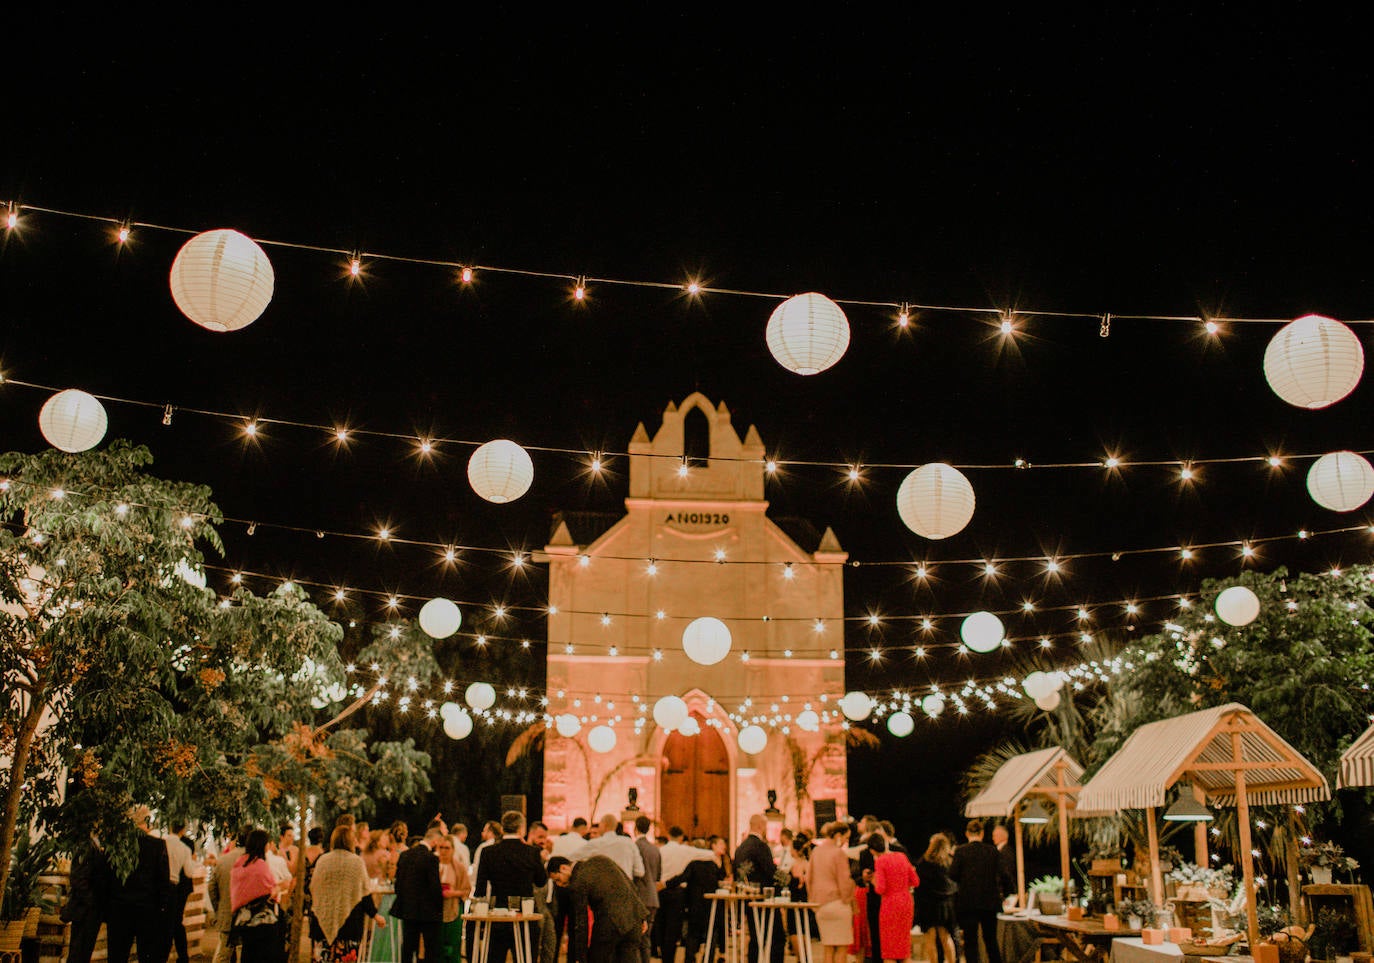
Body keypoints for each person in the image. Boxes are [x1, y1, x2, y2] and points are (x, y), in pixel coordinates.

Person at [475, 811, 548, 963]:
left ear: (502, 828)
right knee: (526, 957)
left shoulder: (488, 852)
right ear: (522, 829)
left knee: (495, 958)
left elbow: (480, 888)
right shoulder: (532, 852)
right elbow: (541, 881)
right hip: (525, 913)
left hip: (497, 914)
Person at [549, 855, 650, 963]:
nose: (559, 885)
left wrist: (580, 958)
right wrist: (642, 916)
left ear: (564, 868)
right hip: (633, 920)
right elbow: (629, 885)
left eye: (557, 879)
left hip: (609, 923)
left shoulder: (577, 882)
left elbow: (581, 923)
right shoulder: (601, 859)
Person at [311, 825, 388, 963]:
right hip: (349, 925)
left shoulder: (322, 860)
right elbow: (364, 893)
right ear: (351, 841)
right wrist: (375, 915)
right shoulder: (356, 862)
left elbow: (314, 888)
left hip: (322, 922)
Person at [107, 806, 173, 963]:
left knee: (117, 955)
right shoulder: (157, 845)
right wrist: (162, 907)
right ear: (147, 820)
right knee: (147, 954)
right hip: (148, 909)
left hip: (119, 908)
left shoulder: (117, 844)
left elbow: (108, 877)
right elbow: (164, 880)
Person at [656, 827, 715, 963]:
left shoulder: (661, 850)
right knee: (673, 928)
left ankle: (664, 957)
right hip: (677, 892)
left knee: (662, 926)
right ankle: (670, 958)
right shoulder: (685, 850)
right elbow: (709, 854)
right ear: (682, 837)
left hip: (661, 890)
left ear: (668, 835)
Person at [948, 820, 1003, 963]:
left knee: (971, 941)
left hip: (968, 902)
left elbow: (952, 874)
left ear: (967, 833)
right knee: (991, 940)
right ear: (982, 833)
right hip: (990, 902)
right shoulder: (993, 851)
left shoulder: (961, 851)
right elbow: (1003, 874)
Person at [669, 836, 728, 963]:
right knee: (711, 934)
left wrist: (665, 884)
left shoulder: (693, 865)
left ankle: (690, 959)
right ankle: (708, 959)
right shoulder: (713, 865)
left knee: (693, 934)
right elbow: (722, 881)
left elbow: (681, 878)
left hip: (695, 905)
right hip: (712, 905)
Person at [392, 825, 445, 963]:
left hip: (408, 909)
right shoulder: (431, 858)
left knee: (408, 947)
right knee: (430, 949)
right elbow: (434, 886)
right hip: (428, 911)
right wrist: (439, 908)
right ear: (435, 841)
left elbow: (398, 884)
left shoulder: (405, 855)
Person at [231, 828, 286, 963]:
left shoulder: (239, 863)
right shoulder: (260, 865)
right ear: (263, 844)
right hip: (263, 922)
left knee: (248, 954)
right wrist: (280, 887)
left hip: (244, 920)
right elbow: (270, 891)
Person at [734, 814, 781, 963]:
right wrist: (784, 885)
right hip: (763, 898)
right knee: (776, 937)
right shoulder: (760, 846)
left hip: (747, 897)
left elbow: (739, 873)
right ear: (760, 826)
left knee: (755, 936)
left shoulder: (740, 847)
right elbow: (770, 871)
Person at [808, 821, 856, 963]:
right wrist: (850, 899)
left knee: (828, 947)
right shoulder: (838, 853)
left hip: (820, 905)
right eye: (846, 838)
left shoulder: (816, 852)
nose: (846, 842)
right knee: (841, 948)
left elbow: (808, 878)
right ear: (838, 835)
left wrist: (813, 900)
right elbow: (844, 881)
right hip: (838, 903)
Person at [62, 838, 113, 963]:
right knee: (78, 951)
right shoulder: (85, 845)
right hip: (84, 909)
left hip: (91, 910)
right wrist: (91, 901)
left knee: (84, 951)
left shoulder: (96, 845)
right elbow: (78, 879)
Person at [870, 835, 918, 963]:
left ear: (872, 851)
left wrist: (874, 880)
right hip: (906, 902)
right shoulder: (901, 856)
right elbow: (915, 881)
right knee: (904, 949)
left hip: (890, 904)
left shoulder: (880, 861)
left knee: (889, 950)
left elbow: (880, 889)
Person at [914, 834, 958, 963]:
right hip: (945, 905)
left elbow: (918, 884)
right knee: (946, 937)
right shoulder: (949, 862)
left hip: (928, 904)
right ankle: (952, 961)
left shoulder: (924, 862)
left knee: (930, 938)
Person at [208, 829, 247, 963]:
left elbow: (211, 887)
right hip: (247, 916)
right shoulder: (253, 859)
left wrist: (218, 908)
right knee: (244, 952)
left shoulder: (223, 860)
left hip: (226, 913)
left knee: (223, 954)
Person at [165, 822, 199, 963]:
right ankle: (183, 956)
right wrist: (193, 861)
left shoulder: (162, 842)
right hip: (180, 887)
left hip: (164, 887)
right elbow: (189, 872)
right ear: (183, 829)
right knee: (176, 921)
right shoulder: (186, 846)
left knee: (167, 922)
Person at [573, 814, 645, 880]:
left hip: (604, 888)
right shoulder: (629, 842)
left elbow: (573, 857)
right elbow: (640, 872)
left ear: (604, 825)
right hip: (625, 889)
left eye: (600, 825)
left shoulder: (596, 843)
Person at [436, 834, 472, 963]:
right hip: (436, 910)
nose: (444, 851)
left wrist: (453, 893)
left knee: (453, 946)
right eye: (441, 848)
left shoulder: (459, 868)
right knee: (437, 947)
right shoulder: (433, 865)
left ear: (452, 849)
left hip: (454, 909)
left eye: (447, 848)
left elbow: (467, 889)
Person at [631, 816, 661, 963]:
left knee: (635, 938)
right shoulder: (655, 849)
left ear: (635, 828)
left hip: (639, 897)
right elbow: (658, 875)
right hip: (652, 897)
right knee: (646, 938)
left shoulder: (634, 847)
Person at [991, 824, 1016, 902]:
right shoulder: (1000, 851)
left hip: (1006, 892)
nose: (993, 838)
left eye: (995, 835)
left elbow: (1007, 873)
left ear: (1003, 836)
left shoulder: (1006, 852)